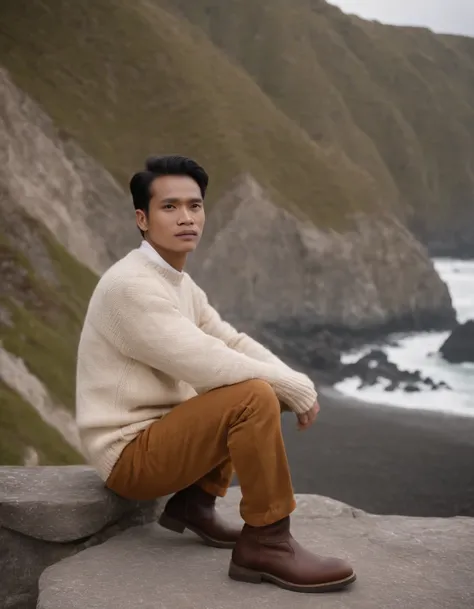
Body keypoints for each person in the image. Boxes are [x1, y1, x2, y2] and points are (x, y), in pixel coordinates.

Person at [75, 154, 356, 593]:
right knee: (252, 395)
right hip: (128, 456)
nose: (186, 217)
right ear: (142, 219)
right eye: (170, 207)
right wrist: (285, 387)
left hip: (163, 437)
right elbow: (206, 360)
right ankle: (268, 541)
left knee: (257, 384)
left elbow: (230, 340)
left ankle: (195, 503)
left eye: (195, 205)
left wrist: (293, 379)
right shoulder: (130, 285)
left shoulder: (179, 283)